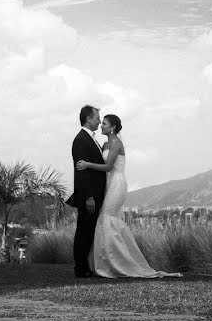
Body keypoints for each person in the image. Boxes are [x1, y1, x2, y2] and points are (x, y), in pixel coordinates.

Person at [77, 114, 182, 278]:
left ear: (112, 127)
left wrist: (87, 164)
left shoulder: (117, 143)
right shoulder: (104, 143)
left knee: (107, 219)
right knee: (104, 220)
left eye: (104, 123)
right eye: (101, 122)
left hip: (117, 184)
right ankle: (107, 261)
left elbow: (109, 166)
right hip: (108, 185)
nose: (101, 126)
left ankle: (118, 263)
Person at [65, 105, 106, 278]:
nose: (99, 120)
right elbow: (81, 172)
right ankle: (80, 268)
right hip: (88, 195)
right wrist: (89, 196)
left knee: (88, 230)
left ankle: (85, 266)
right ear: (88, 119)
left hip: (95, 194)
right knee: (84, 231)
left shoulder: (92, 139)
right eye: (97, 117)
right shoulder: (81, 140)